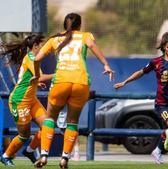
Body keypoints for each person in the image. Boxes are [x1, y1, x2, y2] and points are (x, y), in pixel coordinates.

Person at [31, 13, 114, 168]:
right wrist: (106, 65)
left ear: (64, 24)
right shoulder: (85, 36)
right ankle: (64, 158)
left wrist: (36, 76)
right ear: (80, 25)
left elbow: (36, 59)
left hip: (60, 81)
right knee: (72, 121)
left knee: (50, 119)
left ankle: (43, 156)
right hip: (80, 82)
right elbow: (94, 48)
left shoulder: (54, 39)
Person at [114, 32, 168, 164]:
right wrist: (125, 82)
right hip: (163, 104)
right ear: (164, 48)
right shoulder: (156, 62)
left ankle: (157, 150)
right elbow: (140, 72)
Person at [0, 34, 53, 166]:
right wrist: (59, 74)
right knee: (24, 135)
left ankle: (29, 151)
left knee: (47, 125)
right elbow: (39, 77)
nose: (43, 47)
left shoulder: (34, 58)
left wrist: (35, 84)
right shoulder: (30, 58)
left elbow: (32, 77)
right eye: (41, 45)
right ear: (35, 46)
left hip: (31, 99)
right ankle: (5, 156)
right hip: (19, 100)